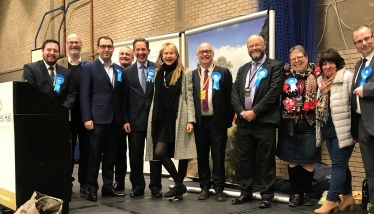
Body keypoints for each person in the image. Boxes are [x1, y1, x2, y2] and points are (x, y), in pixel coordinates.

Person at [231, 34, 284, 208]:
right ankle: (245, 193)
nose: (254, 48)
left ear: (264, 46)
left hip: (264, 122)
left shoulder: (275, 66)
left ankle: (267, 195)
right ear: (247, 49)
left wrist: (255, 112)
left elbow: (273, 94)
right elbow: (234, 93)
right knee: (244, 160)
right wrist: (241, 112)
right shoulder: (243, 69)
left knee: (266, 161)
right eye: (250, 46)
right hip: (244, 123)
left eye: (257, 45)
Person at [145, 42, 196, 200]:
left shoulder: (185, 72)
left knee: (182, 153)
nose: (168, 56)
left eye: (171, 53)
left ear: (176, 55)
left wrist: (191, 120)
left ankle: (179, 187)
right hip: (160, 119)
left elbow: (189, 97)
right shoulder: (157, 72)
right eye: (165, 54)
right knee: (159, 151)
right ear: (161, 56)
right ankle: (180, 185)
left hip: (177, 119)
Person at [81, 36, 125, 202]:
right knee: (94, 156)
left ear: (113, 49)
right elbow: (85, 94)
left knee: (110, 156)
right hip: (97, 119)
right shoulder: (89, 67)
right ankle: (92, 189)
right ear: (98, 48)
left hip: (115, 120)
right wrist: (87, 117)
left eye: (109, 47)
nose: (107, 49)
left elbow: (119, 95)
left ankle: (107, 187)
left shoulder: (118, 69)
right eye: (103, 46)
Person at [276, 45, 321, 207]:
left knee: (308, 161)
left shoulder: (317, 73)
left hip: (310, 123)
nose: (296, 61)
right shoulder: (284, 74)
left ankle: (307, 193)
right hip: (289, 123)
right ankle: (296, 193)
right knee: (292, 161)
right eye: (293, 59)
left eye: (299, 58)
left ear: (306, 57)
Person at [314, 49, 355, 213]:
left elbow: (355, 106)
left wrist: (356, 130)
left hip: (344, 130)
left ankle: (331, 200)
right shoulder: (320, 82)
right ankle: (348, 197)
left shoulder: (347, 78)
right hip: (328, 130)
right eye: (324, 63)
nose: (327, 66)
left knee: (337, 166)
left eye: (331, 62)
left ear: (337, 63)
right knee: (341, 165)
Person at [192, 42, 234, 201]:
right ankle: (204, 187)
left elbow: (231, 98)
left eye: (207, 51)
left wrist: (227, 120)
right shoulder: (193, 75)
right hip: (200, 123)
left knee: (218, 156)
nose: (204, 54)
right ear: (197, 55)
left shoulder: (223, 72)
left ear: (212, 53)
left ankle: (219, 188)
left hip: (218, 123)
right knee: (202, 156)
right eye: (201, 52)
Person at [122, 38, 163, 198]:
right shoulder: (126, 73)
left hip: (155, 120)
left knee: (155, 155)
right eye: (137, 50)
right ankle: (138, 186)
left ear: (148, 51)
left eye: (143, 50)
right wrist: (125, 120)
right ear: (134, 52)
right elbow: (123, 100)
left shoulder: (158, 69)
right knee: (135, 155)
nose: (140, 52)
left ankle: (155, 187)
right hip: (134, 121)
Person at [57, 33, 91, 194]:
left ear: (81, 44)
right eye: (71, 42)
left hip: (85, 116)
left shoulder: (88, 65)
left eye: (77, 42)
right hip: (66, 115)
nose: (74, 45)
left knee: (85, 150)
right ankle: (66, 182)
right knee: (67, 151)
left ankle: (84, 181)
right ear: (66, 44)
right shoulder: (58, 65)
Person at [351, 25, 374, 214]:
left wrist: (366, 90)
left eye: (367, 38)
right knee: (370, 171)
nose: (364, 43)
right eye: (359, 41)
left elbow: (363, 90)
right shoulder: (359, 64)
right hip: (363, 126)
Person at [23, 39, 76, 110]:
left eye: (55, 51)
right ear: (42, 51)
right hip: (39, 114)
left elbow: (71, 94)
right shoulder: (30, 69)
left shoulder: (67, 72)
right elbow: (30, 93)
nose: (52, 53)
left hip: (61, 115)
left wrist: (62, 109)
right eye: (49, 50)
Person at [113, 46, 134, 192]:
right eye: (122, 54)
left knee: (135, 154)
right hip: (119, 120)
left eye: (128, 54)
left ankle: (136, 185)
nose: (124, 56)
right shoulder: (114, 72)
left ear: (132, 58)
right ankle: (119, 182)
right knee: (119, 154)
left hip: (136, 119)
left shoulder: (136, 72)